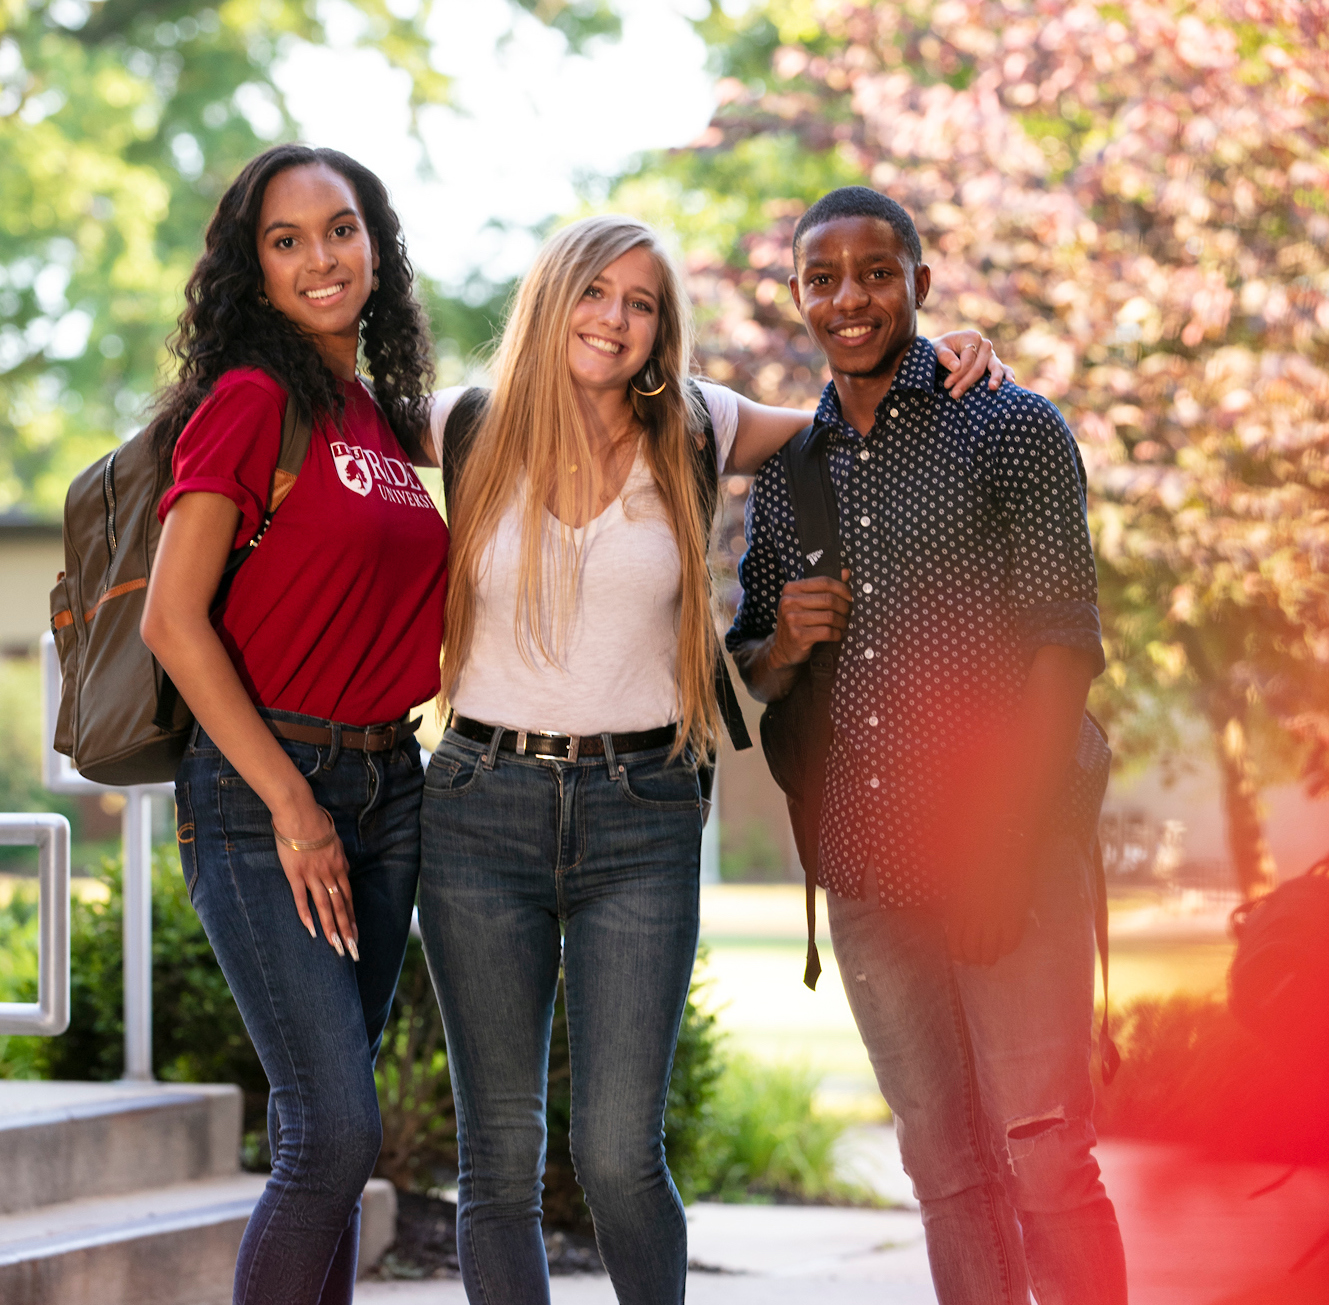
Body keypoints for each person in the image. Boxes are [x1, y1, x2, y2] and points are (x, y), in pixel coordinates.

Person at [414, 211, 1011, 1305]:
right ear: (553, 298)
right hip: (475, 809)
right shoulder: (465, 424)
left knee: (618, 1156)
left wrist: (952, 356)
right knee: (497, 1164)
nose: (616, 320)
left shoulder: (697, 425)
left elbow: (856, 411)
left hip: (640, 813)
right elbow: (315, 428)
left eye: (641, 304)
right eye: (596, 293)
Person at [727, 186, 1128, 1305]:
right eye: (823, 278)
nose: (848, 298)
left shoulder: (1008, 424)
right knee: (946, 1172)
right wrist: (787, 645)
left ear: (920, 284)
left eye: (874, 272)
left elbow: (1065, 649)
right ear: (798, 294)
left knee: (1045, 1152)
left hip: (1014, 855)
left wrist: (1002, 848)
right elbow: (754, 666)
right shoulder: (789, 473)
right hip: (866, 873)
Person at [140, 143, 446, 1305]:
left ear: (376, 245)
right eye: (287, 239)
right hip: (267, 791)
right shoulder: (249, 401)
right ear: (252, 270)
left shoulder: (378, 419)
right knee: (331, 1139)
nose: (321, 257)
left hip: (387, 788)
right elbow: (175, 622)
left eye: (342, 229)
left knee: (335, 1137)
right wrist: (290, 805)